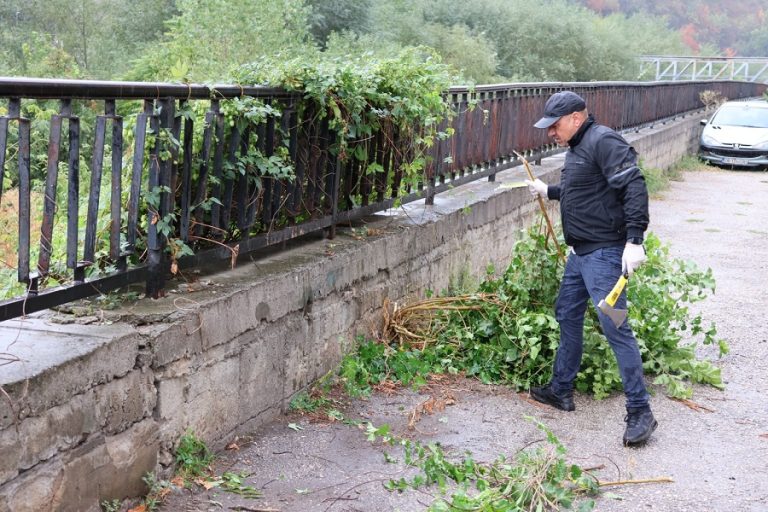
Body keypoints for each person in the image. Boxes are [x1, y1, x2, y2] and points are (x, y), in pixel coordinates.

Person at [524, 90, 657, 446]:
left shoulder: (604, 140)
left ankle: (641, 411)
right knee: (566, 312)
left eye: (555, 125)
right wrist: (548, 190)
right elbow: (582, 191)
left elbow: (634, 184)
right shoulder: (577, 149)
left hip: (605, 257)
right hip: (579, 256)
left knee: (616, 327)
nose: (551, 132)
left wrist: (635, 239)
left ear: (576, 118)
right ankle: (560, 389)